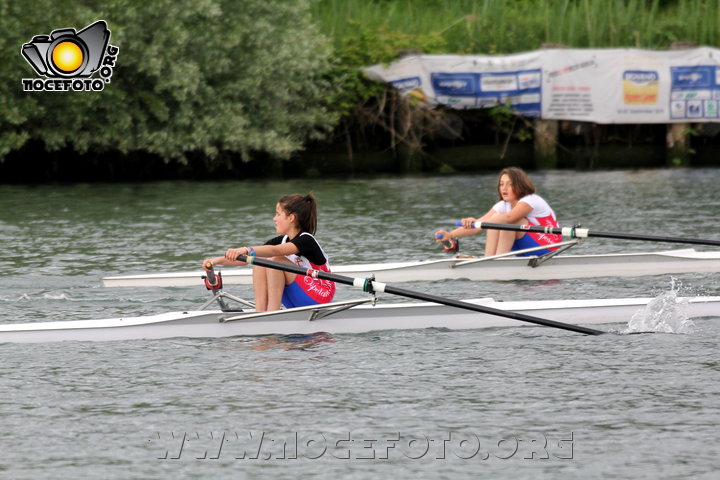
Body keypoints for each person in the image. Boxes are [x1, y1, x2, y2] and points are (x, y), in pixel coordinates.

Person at [202, 193, 335, 311]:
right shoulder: (281, 239)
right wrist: (215, 261)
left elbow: (276, 251)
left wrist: (245, 249)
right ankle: (260, 313)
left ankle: (272, 313)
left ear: (291, 218)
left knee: (275, 260)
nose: (274, 218)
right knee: (261, 260)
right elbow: (244, 259)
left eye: (278, 214)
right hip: (300, 295)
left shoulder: (306, 240)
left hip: (320, 295)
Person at [434, 167, 561, 257]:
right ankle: (489, 260)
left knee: (507, 220)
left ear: (520, 186)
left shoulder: (531, 200)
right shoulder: (503, 205)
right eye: (501, 184)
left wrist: (479, 222)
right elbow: (478, 227)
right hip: (529, 245)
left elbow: (509, 218)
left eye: (509, 184)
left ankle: (499, 261)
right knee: (497, 218)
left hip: (548, 246)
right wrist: (450, 235)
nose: (504, 189)